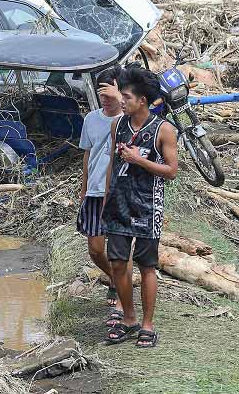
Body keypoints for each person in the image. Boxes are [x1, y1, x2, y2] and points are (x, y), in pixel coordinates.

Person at [101, 66, 178, 348]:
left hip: (148, 207)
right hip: (118, 205)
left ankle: (147, 324)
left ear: (142, 100)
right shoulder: (117, 126)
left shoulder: (163, 130)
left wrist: (140, 160)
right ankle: (129, 318)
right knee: (119, 263)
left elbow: (171, 171)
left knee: (146, 266)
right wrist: (105, 198)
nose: (122, 101)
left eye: (127, 97)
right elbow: (112, 163)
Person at [77, 67, 128, 327]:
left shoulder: (129, 120)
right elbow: (88, 155)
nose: (105, 99)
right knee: (96, 250)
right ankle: (115, 279)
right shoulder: (91, 120)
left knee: (120, 251)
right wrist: (84, 188)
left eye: (110, 93)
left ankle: (122, 295)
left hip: (120, 193)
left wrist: (120, 101)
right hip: (95, 192)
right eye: (102, 95)